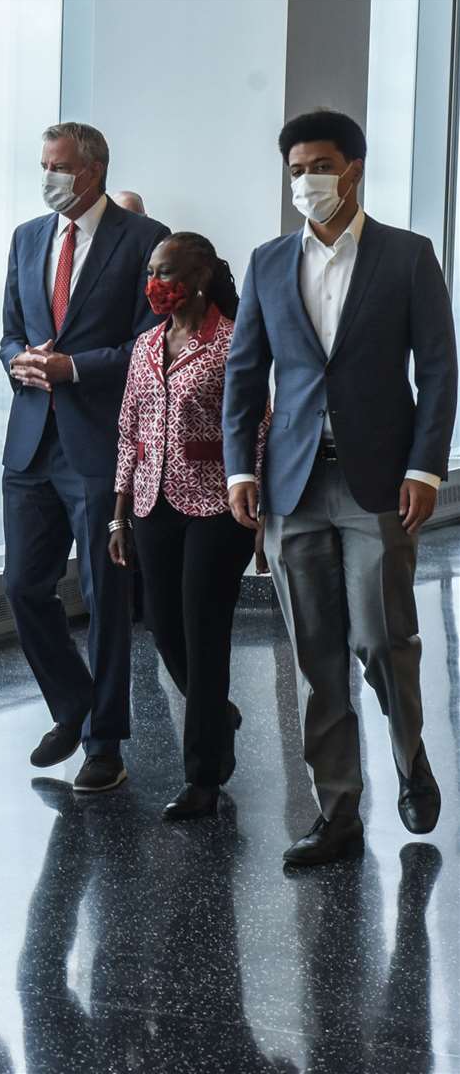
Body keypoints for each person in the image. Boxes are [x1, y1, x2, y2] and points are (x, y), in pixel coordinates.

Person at [224, 109, 457, 866]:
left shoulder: (408, 256)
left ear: (352, 167)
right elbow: (243, 372)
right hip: (292, 484)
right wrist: (240, 467)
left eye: (317, 165)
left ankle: (410, 756)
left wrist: (425, 467)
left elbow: (440, 369)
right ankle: (338, 812)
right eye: (295, 169)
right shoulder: (266, 262)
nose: (305, 181)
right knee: (316, 654)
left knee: (382, 640)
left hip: (377, 482)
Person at [0, 122, 169, 792]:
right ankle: (73, 704)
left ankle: (105, 743)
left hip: (100, 443)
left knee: (105, 595)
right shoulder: (27, 237)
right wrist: (20, 359)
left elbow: (152, 342)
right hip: (31, 439)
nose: (47, 176)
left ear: (92, 170)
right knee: (22, 585)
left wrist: (74, 367)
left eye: (58, 165)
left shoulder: (145, 241)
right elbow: (12, 326)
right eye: (43, 164)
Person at [109, 232, 265, 821]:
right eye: (152, 271)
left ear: (197, 276)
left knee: (204, 631)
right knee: (164, 626)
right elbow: (129, 430)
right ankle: (216, 712)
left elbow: (258, 425)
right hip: (151, 504)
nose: (155, 283)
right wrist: (117, 514)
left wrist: (255, 501)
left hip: (216, 507)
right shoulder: (146, 344)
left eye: (165, 272)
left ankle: (202, 775)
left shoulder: (233, 344)